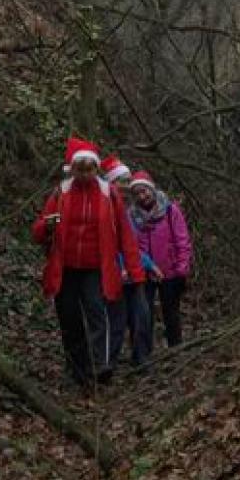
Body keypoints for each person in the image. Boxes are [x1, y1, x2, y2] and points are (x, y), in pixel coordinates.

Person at [31, 136, 145, 388]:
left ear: (96, 169)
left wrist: (135, 271)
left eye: (89, 169)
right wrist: (48, 226)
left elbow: (125, 235)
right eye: (79, 169)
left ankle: (100, 365)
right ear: (72, 169)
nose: (84, 174)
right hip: (66, 267)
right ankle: (78, 369)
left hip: (95, 268)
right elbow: (39, 230)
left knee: (97, 314)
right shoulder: (61, 193)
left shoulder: (109, 194)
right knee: (69, 318)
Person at [101, 154, 155, 369]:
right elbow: (108, 245)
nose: (126, 186)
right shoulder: (106, 209)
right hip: (117, 275)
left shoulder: (130, 212)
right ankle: (108, 364)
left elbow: (133, 245)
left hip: (134, 273)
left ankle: (141, 358)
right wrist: (119, 267)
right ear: (111, 183)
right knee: (117, 322)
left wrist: (149, 264)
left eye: (127, 181)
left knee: (141, 317)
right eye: (122, 181)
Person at [128, 171, 192, 350]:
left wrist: (182, 269)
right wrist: (145, 265)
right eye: (138, 193)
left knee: (171, 313)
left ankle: (175, 349)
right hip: (145, 272)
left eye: (145, 191)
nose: (143, 196)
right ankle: (145, 352)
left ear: (152, 189)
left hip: (170, 270)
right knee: (144, 314)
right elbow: (132, 245)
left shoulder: (170, 210)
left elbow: (182, 240)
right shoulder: (131, 216)